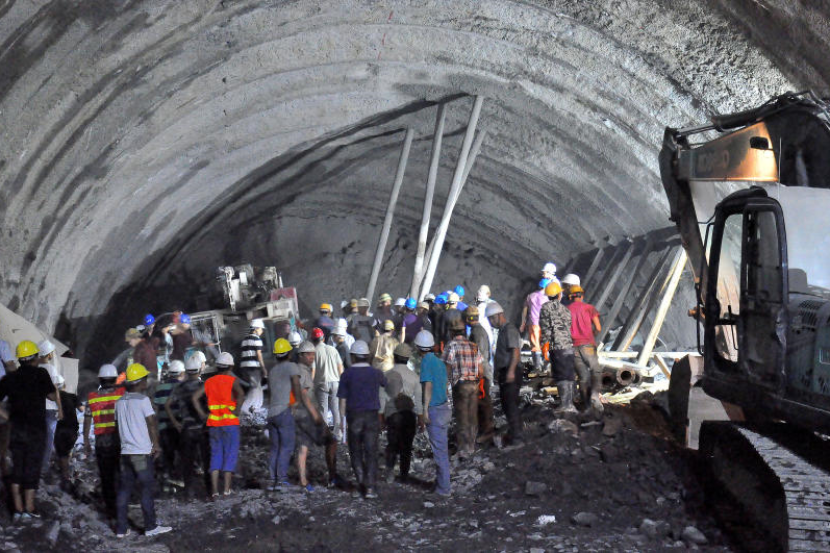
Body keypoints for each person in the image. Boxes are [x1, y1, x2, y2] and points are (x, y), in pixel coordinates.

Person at [0, 341, 57, 521]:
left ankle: (17, 509)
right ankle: (29, 507)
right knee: (32, 466)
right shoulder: (41, 374)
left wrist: (8, 416)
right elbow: (52, 396)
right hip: (36, 429)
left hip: (16, 428)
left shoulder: (10, 378)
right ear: (35, 358)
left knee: (17, 466)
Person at [114, 363, 172, 538]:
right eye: (145, 378)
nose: (147, 381)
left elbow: (117, 427)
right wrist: (156, 445)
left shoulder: (119, 402)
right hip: (141, 452)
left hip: (125, 453)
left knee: (124, 490)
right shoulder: (143, 400)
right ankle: (150, 527)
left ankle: (121, 529)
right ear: (139, 382)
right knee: (146, 489)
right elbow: (151, 424)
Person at [337, 340, 387, 499]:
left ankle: (360, 485)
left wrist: (341, 422)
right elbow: (386, 385)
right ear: (367, 356)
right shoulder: (376, 373)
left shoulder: (346, 374)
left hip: (354, 417)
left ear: (352, 357)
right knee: (371, 451)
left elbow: (342, 400)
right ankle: (370, 488)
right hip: (372, 416)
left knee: (356, 451)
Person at [192, 352, 245, 498]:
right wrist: (237, 410)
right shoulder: (232, 381)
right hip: (230, 423)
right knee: (230, 455)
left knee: (215, 455)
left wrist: (202, 414)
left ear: (217, 367)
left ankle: (215, 492)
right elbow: (241, 394)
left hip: (214, 424)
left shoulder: (209, 382)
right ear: (231, 367)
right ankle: (227, 490)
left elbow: (195, 398)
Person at [294, 341, 339, 491]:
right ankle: (333, 477)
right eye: (308, 355)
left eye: (313, 354)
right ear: (301, 355)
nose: (312, 357)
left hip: (298, 415)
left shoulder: (297, 370)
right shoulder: (303, 372)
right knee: (331, 441)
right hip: (308, 415)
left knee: (303, 447)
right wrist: (316, 415)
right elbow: (304, 395)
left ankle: (303, 481)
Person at [266, 339, 310, 491]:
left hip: (271, 412)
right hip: (284, 411)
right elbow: (296, 383)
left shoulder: (272, 370)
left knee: (275, 447)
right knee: (286, 446)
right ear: (289, 353)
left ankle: (272, 480)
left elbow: (270, 392)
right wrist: (297, 401)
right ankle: (282, 481)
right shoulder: (292, 367)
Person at [84, 364, 126, 520]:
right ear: (115, 379)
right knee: (121, 474)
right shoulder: (122, 394)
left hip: (102, 443)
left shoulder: (92, 397)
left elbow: (87, 420)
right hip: (120, 441)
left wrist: (86, 440)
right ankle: (122, 507)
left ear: (100, 379)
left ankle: (111, 510)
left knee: (106, 477)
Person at [166, 356, 210, 497]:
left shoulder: (179, 387)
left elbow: (167, 404)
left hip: (186, 429)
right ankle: (210, 491)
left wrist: (175, 423)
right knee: (207, 461)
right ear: (199, 370)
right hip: (202, 428)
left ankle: (189, 492)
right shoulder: (203, 386)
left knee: (188, 463)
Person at [416, 330, 451, 497]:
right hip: (444, 407)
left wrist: (424, 410)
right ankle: (441, 484)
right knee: (441, 449)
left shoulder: (426, 362)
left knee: (439, 452)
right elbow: (444, 385)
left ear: (418, 348)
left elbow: (428, 386)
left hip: (435, 409)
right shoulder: (439, 362)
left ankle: (444, 489)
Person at [382, 343, 423, 484]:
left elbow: (381, 398)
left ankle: (389, 473)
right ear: (408, 358)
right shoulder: (414, 376)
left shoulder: (386, 375)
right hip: (408, 415)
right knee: (407, 446)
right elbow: (419, 401)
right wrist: (421, 419)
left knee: (392, 444)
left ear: (394, 357)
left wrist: (380, 416)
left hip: (392, 414)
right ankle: (404, 475)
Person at [442, 317, 482, 457]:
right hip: (474, 385)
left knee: (462, 417)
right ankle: (472, 446)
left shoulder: (451, 346)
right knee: (472, 416)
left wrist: (445, 386)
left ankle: (463, 449)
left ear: (452, 332)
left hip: (461, 385)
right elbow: (481, 369)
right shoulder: (473, 345)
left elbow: (447, 368)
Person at [486, 303, 523, 445]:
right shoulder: (502, 331)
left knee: (511, 404)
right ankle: (514, 433)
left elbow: (515, 351)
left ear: (499, 315)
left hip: (510, 370)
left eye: (492, 318)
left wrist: (511, 371)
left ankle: (517, 437)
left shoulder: (510, 330)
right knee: (507, 404)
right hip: (505, 371)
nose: (491, 322)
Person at [539, 281, 577, 414]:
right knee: (569, 374)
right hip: (568, 346)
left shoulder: (545, 308)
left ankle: (566, 405)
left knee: (561, 376)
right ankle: (570, 403)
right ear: (559, 295)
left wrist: (544, 347)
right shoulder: (565, 309)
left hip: (557, 347)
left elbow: (545, 329)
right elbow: (569, 327)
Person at [567, 285, 603, 413]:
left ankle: (587, 406)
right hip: (587, 345)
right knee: (596, 371)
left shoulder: (566, 310)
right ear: (582, 296)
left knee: (583, 376)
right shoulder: (589, 308)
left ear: (570, 297)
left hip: (573, 347)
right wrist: (591, 336)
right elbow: (598, 328)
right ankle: (595, 396)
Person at [153, 359, 185, 486]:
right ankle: (180, 477)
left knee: (168, 454)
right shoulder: (183, 387)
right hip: (180, 426)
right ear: (181, 373)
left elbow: (156, 409)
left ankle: (168, 477)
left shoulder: (160, 388)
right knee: (182, 452)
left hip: (163, 426)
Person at [466, 306, 495, 445]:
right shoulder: (477, 330)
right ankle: (484, 431)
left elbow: (479, 354)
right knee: (480, 403)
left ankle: (488, 432)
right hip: (480, 371)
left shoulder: (477, 332)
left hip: (481, 372)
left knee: (484, 403)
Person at [311, 328, 344, 440]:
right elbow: (340, 367)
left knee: (323, 410)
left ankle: (325, 435)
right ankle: (338, 434)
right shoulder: (333, 349)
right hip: (335, 383)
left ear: (313, 340)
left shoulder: (314, 352)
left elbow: (313, 370)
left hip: (322, 384)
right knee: (335, 409)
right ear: (323, 338)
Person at [38, 339, 63, 475]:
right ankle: (44, 468)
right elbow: (56, 390)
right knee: (49, 439)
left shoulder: (35, 369)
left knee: (39, 438)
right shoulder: (50, 369)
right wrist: (60, 408)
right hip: (50, 409)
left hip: (37, 409)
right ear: (48, 354)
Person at [53, 375, 78, 490]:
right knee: (66, 453)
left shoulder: (51, 398)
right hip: (72, 429)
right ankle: (67, 476)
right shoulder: (72, 396)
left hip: (60, 429)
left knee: (62, 455)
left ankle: (65, 478)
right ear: (64, 385)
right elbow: (82, 409)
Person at [520, 279, 551, 372]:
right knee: (545, 344)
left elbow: (524, 310)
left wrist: (523, 323)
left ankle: (537, 366)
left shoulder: (531, 296)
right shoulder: (546, 299)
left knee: (535, 345)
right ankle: (545, 365)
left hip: (533, 324)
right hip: (544, 324)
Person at [239, 319, 267, 386]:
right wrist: (263, 368)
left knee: (248, 387)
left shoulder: (244, 339)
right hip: (253, 368)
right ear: (256, 329)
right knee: (256, 387)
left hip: (244, 368)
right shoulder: (257, 339)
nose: (262, 331)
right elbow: (259, 355)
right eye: (261, 329)